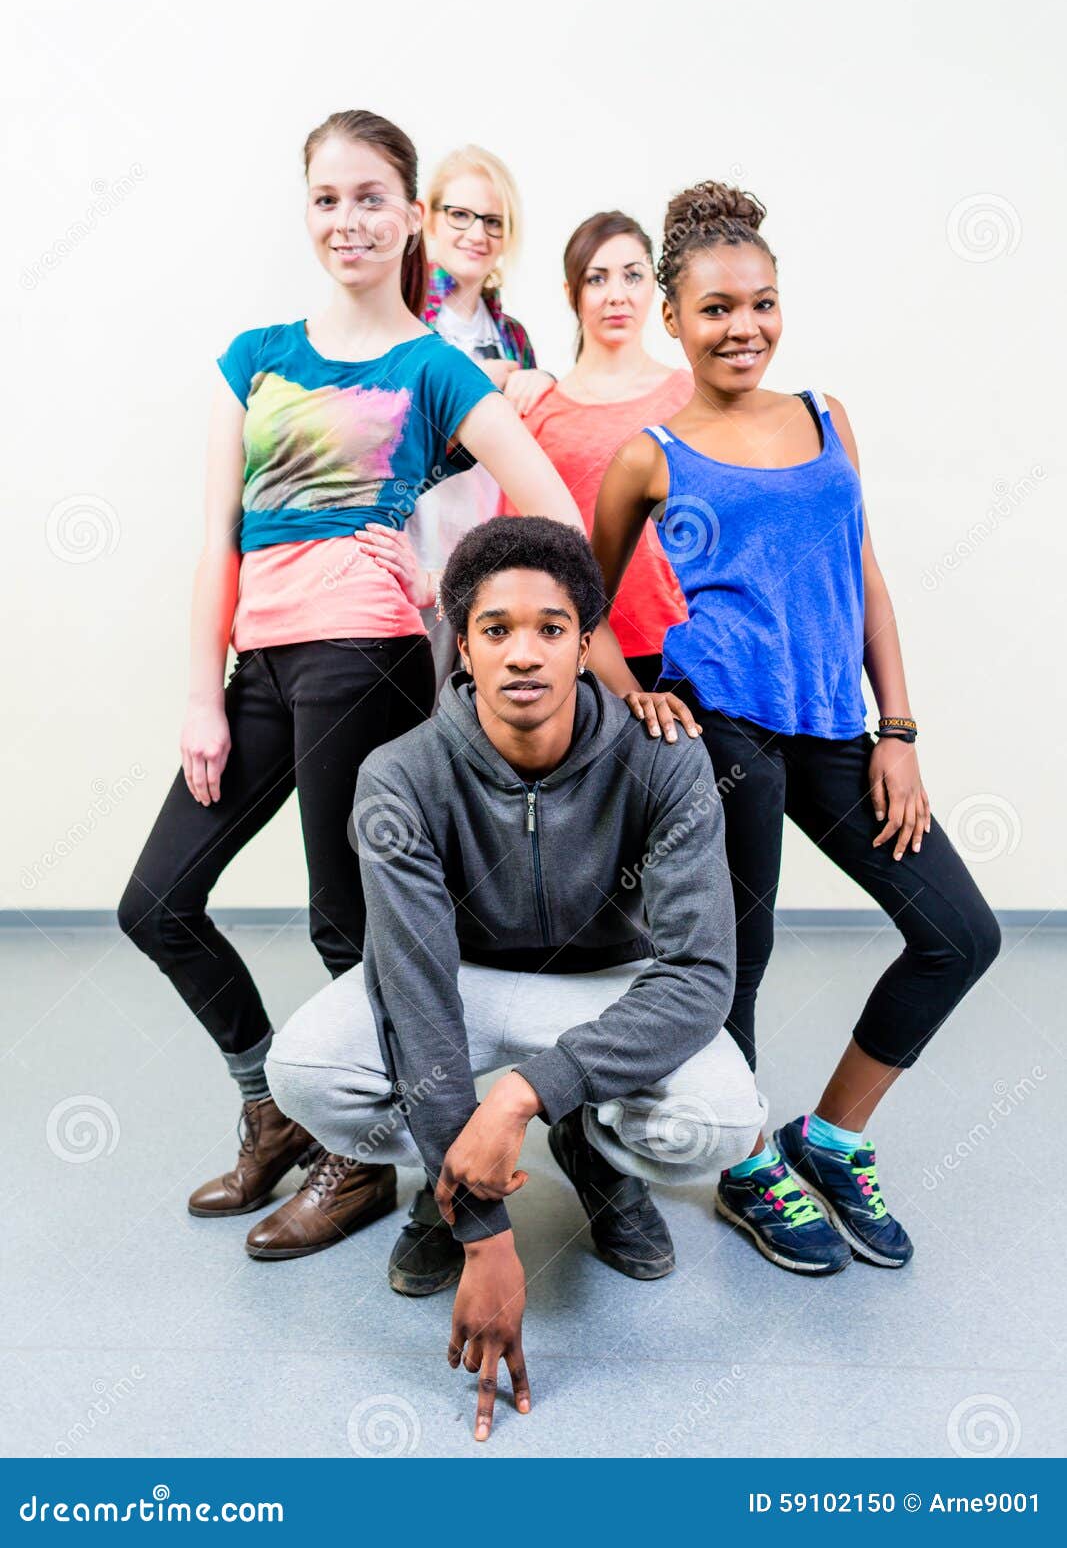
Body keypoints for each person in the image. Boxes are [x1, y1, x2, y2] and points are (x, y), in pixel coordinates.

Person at [115, 109, 610, 1261]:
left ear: (412, 220)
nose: (349, 219)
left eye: (372, 197)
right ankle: (273, 1104)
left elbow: (553, 513)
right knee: (156, 902)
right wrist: (202, 693)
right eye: (328, 197)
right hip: (260, 663)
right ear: (308, 211)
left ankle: (365, 1156)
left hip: (367, 657)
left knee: (352, 928)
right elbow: (215, 545)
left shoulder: (431, 365)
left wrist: (449, 591)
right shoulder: (254, 356)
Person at [265, 516, 764, 1441]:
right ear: (463, 645)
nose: (523, 653)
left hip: (608, 983)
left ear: (586, 641)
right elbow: (412, 988)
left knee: (724, 1124)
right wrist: (481, 1233)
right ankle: (444, 1181)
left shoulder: (662, 758)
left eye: (550, 628)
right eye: (496, 630)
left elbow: (698, 978)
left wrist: (529, 1095)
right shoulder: (401, 775)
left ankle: (595, 1155)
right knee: (306, 1070)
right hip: (468, 980)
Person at [589, 180, 1002, 1275]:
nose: (744, 328)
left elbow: (862, 571)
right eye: (717, 308)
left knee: (959, 933)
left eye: (762, 303)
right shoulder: (650, 453)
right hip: (721, 732)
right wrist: (634, 690)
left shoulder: (824, 418)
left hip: (833, 730)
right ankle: (741, 1164)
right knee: (744, 954)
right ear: (672, 319)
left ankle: (825, 1136)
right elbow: (582, 605)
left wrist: (896, 729)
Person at [501, 211, 691, 691]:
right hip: (571, 648)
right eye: (596, 278)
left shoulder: (690, 395)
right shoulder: (538, 409)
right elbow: (516, 544)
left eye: (633, 275)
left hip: (680, 643)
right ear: (572, 293)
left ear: (655, 287)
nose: (616, 295)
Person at [406, 144, 556, 693]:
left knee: (469, 729)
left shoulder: (512, 334)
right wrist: (477, 382)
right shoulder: (402, 315)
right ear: (429, 217)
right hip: (411, 561)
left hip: (484, 565)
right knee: (398, 728)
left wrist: (544, 385)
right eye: (461, 215)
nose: (477, 233)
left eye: (493, 221)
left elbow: (533, 453)